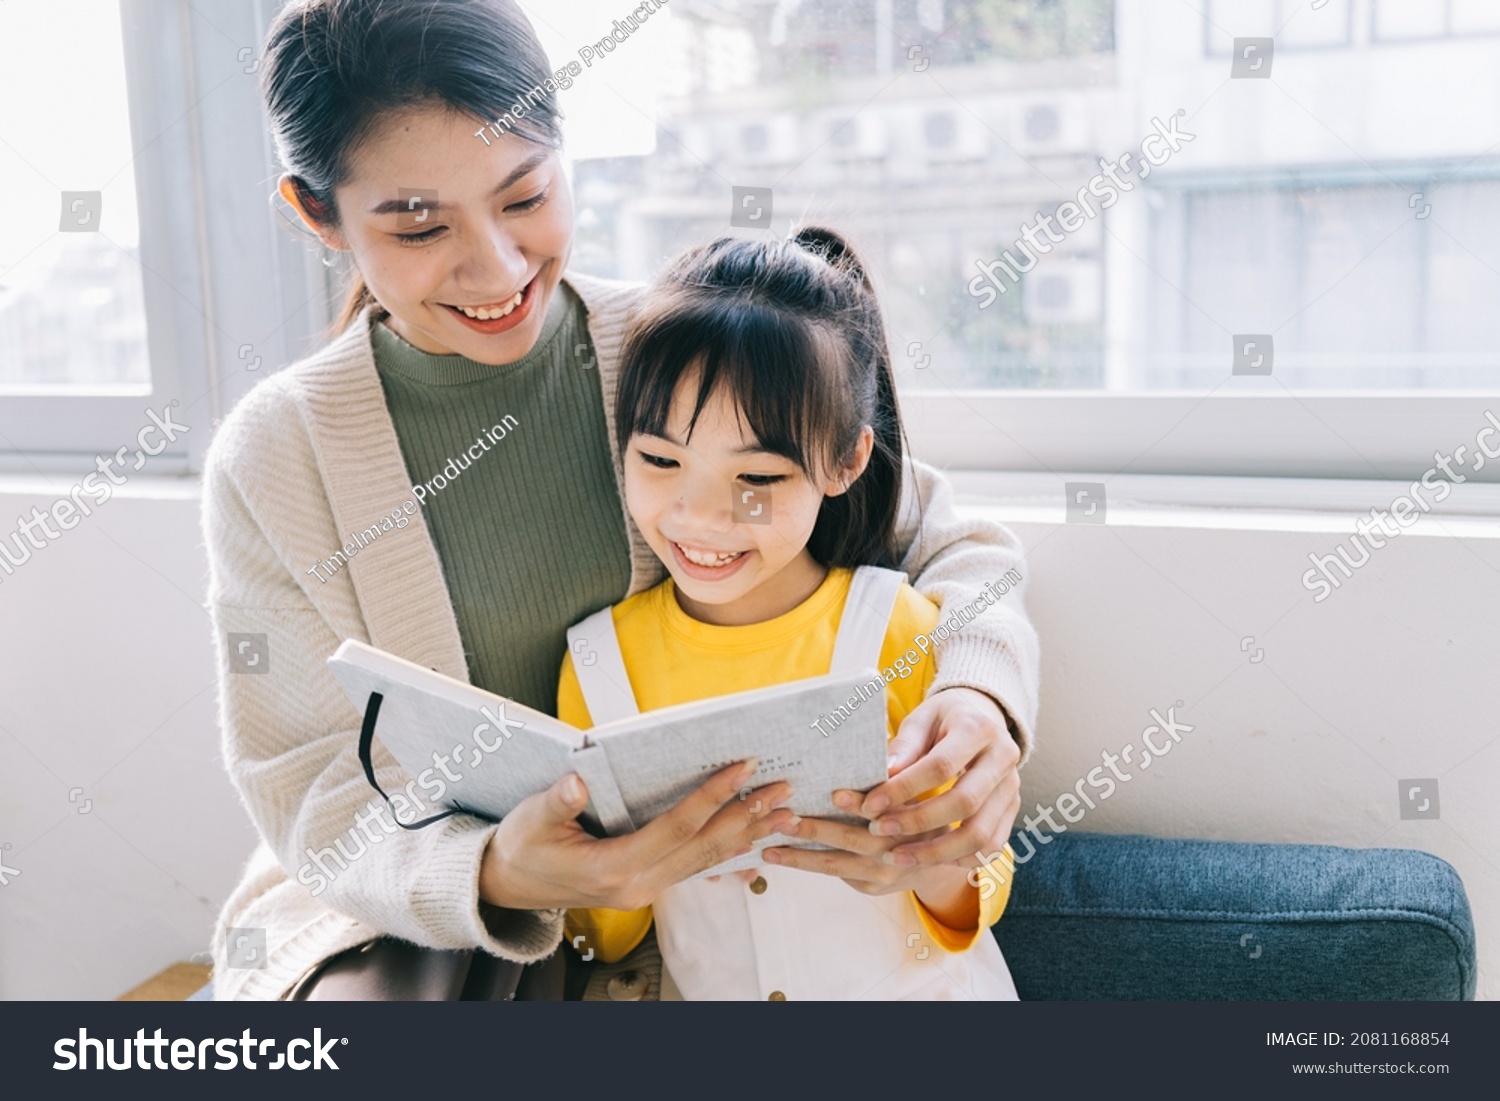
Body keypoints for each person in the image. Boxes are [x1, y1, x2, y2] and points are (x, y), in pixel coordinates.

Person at [206, 0, 1039, 1001]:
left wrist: (978, 699)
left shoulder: (667, 349)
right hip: (409, 906)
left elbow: (956, 543)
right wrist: (497, 871)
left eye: (525, 196)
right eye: (420, 225)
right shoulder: (278, 453)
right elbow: (308, 786)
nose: (498, 267)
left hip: (680, 919)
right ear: (318, 215)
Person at [559, 229, 1019, 1000]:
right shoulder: (598, 663)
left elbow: (981, 885)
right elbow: (604, 932)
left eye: (758, 478)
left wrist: (925, 864)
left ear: (846, 461)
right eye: (661, 460)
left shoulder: (898, 626)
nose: (700, 516)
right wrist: (615, 870)